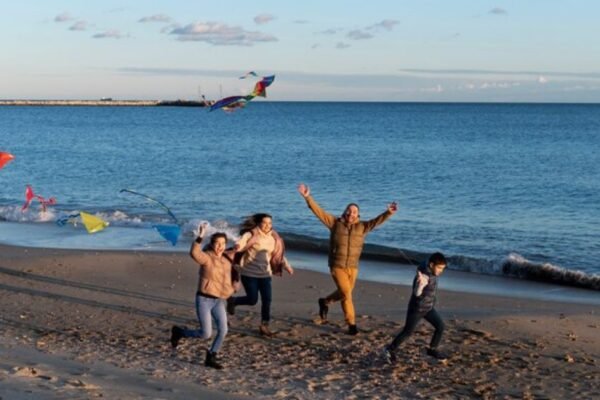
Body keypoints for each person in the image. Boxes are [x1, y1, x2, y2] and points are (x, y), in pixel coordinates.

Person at [297, 183, 397, 335]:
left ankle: (325, 302)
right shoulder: (334, 224)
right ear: (344, 212)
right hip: (337, 265)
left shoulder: (363, 227)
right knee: (347, 294)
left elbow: (377, 221)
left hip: (353, 266)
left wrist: (388, 212)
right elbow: (319, 212)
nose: (351, 214)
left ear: (358, 215)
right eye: (349, 211)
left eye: (354, 212)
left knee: (345, 292)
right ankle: (351, 324)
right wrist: (307, 197)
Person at [170, 225, 238, 369]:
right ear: (212, 244)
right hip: (204, 299)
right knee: (205, 333)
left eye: (223, 244)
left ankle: (211, 355)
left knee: (223, 330)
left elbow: (234, 269)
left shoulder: (226, 259)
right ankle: (179, 332)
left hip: (219, 300)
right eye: (217, 243)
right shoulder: (206, 257)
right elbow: (194, 253)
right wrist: (200, 236)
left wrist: (232, 292)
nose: (220, 246)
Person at [226, 213, 294, 337]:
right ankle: (233, 301)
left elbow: (278, 254)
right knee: (252, 300)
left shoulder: (274, 237)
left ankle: (264, 326)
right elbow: (242, 242)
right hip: (249, 273)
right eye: (265, 223)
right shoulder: (251, 234)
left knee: (267, 300)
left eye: (270, 223)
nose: (268, 225)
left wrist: (287, 265)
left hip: (265, 274)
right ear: (258, 223)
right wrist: (237, 246)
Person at [383, 252, 448, 363]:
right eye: (439, 268)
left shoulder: (429, 268)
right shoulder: (423, 277)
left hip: (428, 308)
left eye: (443, 268)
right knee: (407, 332)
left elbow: (425, 261)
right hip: (416, 309)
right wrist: (421, 284)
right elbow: (417, 293)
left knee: (440, 326)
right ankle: (390, 349)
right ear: (432, 265)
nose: (441, 271)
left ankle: (432, 349)